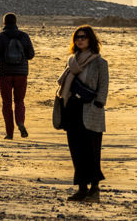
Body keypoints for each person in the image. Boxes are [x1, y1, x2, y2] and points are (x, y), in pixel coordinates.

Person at [55, 25, 109, 203]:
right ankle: (81, 189)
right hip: (72, 110)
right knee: (76, 151)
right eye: (77, 37)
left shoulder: (100, 62)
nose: (80, 40)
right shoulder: (72, 61)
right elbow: (63, 84)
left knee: (91, 152)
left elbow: (103, 87)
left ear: (91, 39)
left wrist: (99, 102)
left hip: (91, 112)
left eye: (84, 37)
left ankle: (94, 189)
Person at [0, 13, 35, 140]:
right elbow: (31, 55)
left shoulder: (0, 37)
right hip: (21, 73)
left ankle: (9, 133)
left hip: (5, 74)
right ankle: (20, 121)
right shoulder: (24, 36)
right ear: (16, 22)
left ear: (4, 23)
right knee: (19, 101)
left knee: (7, 103)